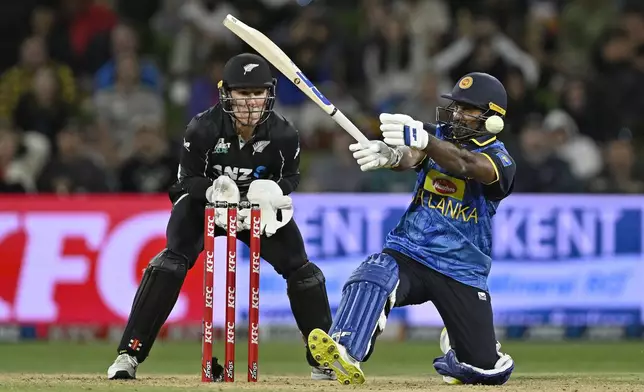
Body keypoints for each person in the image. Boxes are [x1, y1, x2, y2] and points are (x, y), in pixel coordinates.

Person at [107, 53, 335, 381]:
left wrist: (273, 190)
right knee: (169, 263)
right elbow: (186, 180)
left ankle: (321, 361)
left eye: (257, 93)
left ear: (269, 93)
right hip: (206, 206)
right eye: (243, 93)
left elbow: (291, 178)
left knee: (303, 271)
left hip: (256, 209)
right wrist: (214, 191)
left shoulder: (285, 134)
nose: (250, 102)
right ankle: (129, 354)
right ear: (226, 93)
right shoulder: (203, 128)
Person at [307, 72, 516, 385]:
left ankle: (460, 344)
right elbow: (413, 155)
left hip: (461, 268)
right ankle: (343, 351)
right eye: (456, 106)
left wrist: (427, 142)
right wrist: (392, 155)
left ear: (492, 117)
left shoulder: (500, 159)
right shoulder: (439, 134)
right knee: (375, 271)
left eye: (468, 109)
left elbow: (466, 166)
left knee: (485, 371)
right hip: (411, 251)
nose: (457, 113)